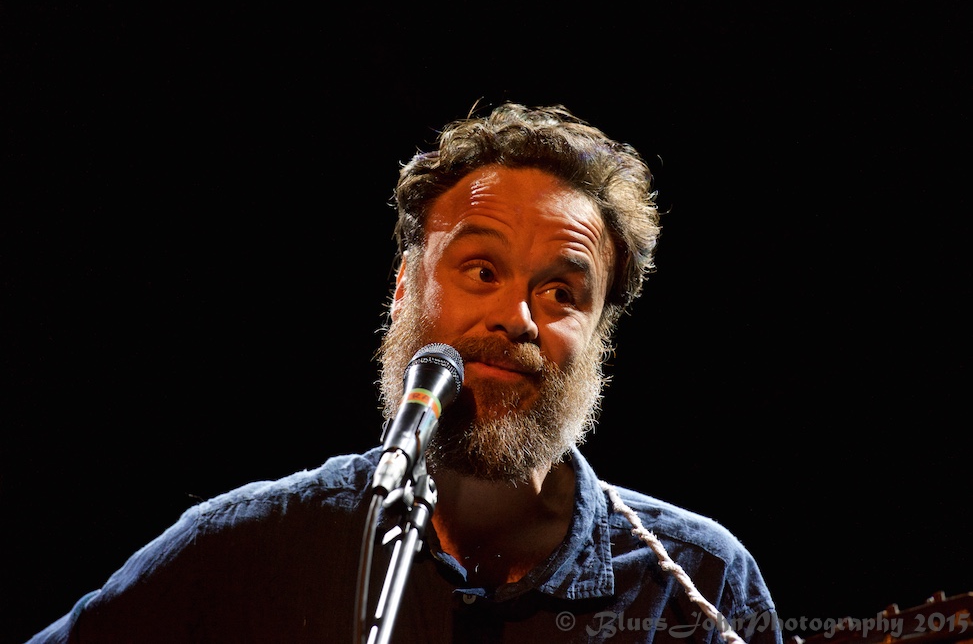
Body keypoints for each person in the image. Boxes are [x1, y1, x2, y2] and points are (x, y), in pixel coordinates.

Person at [27, 102, 781, 643]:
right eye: (480, 269)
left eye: (561, 291)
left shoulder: (694, 588)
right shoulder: (244, 550)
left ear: (598, 337)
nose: (516, 317)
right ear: (403, 288)